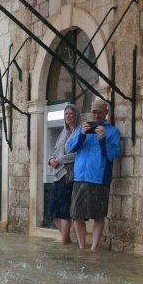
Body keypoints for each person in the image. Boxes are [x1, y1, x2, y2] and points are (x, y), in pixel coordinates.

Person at [68, 98, 121, 251]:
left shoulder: (113, 131)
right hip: (80, 177)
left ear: (106, 113)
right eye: (94, 112)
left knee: (98, 215)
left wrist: (103, 139)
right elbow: (71, 148)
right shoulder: (82, 128)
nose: (96, 115)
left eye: (99, 112)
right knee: (76, 215)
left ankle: (94, 248)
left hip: (99, 178)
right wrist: (82, 134)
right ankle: (82, 247)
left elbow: (112, 155)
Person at [48, 103, 81, 244]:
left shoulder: (78, 132)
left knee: (64, 210)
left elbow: (77, 154)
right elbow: (55, 152)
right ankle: (66, 240)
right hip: (57, 175)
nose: (68, 116)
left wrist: (60, 161)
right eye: (66, 113)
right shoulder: (63, 133)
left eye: (71, 113)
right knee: (53, 212)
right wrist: (51, 160)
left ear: (76, 115)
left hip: (68, 176)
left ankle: (64, 241)